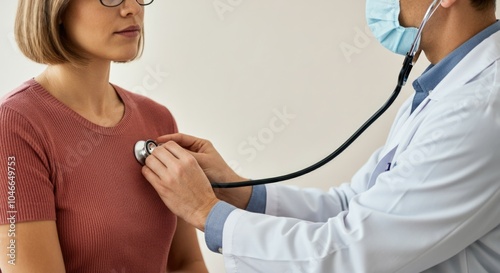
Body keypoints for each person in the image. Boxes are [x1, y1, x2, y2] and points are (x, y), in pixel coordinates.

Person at [140, 0, 500, 272]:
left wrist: (206, 212)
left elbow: (351, 252)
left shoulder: (478, 111)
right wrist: (241, 192)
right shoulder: (443, 93)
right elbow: (352, 207)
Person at [0, 0, 208, 272]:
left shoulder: (157, 119)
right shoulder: (14, 127)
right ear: (56, 9)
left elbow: (185, 263)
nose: (133, 8)